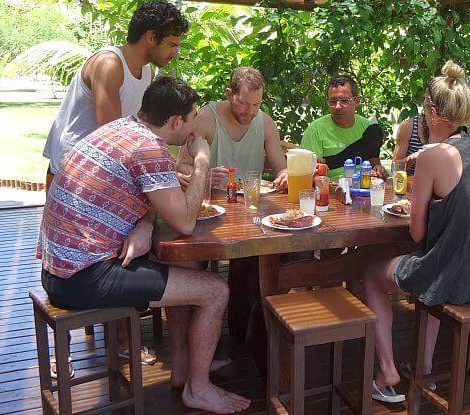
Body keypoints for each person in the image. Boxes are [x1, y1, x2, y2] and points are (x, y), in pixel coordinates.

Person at [38, 76, 250, 413]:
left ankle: (184, 366)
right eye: (193, 118)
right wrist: (202, 161)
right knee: (215, 290)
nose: (195, 127)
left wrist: (144, 223)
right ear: (176, 122)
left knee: (185, 266)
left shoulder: (123, 129)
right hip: (82, 277)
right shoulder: (150, 148)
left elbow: (144, 192)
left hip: (58, 267)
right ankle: (198, 389)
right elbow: (185, 222)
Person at [359, 61, 470, 403]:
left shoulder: (434, 154)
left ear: (433, 112)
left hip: (456, 278)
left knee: (373, 272)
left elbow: (417, 234)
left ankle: (388, 370)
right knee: (435, 264)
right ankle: (424, 366)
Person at [43, 0, 188, 186]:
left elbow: (141, 128)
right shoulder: (109, 64)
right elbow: (111, 135)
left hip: (106, 166)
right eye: (171, 45)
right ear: (151, 37)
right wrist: (160, 170)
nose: (175, 53)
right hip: (73, 169)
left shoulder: (147, 72)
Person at [176, 67, 288, 191]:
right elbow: (182, 165)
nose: (250, 112)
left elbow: (280, 166)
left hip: (252, 200)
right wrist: (204, 176)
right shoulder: (204, 119)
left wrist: (284, 175)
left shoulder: (266, 123)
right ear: (229, 94)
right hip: (211, 202)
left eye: (256, 104)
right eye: (243, 103)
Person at [301, 76, 389, 180]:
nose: (337, 106)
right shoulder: (315, 130)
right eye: (333, 101)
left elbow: (375, 165)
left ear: (357, 101)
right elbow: (305, 175)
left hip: (364, 189)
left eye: (344, 100)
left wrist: (379, 171)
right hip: (331, 191)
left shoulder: (369, 128)